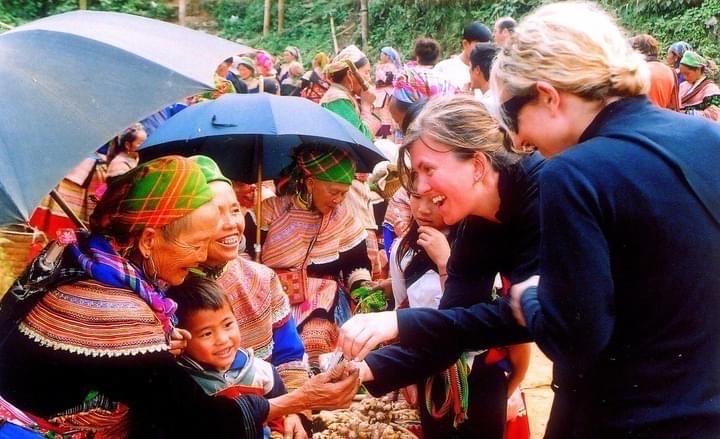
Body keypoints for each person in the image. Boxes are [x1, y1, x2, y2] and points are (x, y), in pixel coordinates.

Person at [340, 2, 720, 437]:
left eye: (514, 115)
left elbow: (575, 336)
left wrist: (533, 299)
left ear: (548, 96)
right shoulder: (709, 137)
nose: (518, 137)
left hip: (620, 417)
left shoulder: (573, 174)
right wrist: (373, 363)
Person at [0, 156, 360, 438]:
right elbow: (194, 420)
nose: (203, 257)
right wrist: (302, 399)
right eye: (195, 244)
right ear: (148, 240)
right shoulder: (115, 306)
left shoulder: (82, 259)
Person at [342, 95, 539, 438]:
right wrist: (362, 371)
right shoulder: (480, 225)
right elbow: (452, 329)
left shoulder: (548, 196)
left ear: (477, 166)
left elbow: (533, 315)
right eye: (416, 175)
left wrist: (398, 322)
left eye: (428, 170)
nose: (420, 189)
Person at [188, 156, 309, 401]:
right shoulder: (164, 291)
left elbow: (289, 358)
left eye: (235, 210)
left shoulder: (262, 279)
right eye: (214, 214)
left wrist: (295, 411)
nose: (232, 223)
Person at [261, 144, 372, 371]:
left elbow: (356, 264)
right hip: (274, 297)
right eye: (334, 192)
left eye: (344, 193)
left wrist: (364, 290)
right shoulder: (271, 211)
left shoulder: (345, 220)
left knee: (316, 338)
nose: (339, 200)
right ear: (311, 183)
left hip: (325, 302)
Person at [166, 274, 297, 439]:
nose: (222, 339)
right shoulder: (183, 383)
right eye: (207, 333)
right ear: (182, 338)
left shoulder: (262, 372)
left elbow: (279, 415)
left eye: (228, 325)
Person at [320, 45, 379, 140]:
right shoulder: (337, 98)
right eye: (366, 72)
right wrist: (366, 106)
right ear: (350, 75)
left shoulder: (345, 94)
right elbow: (361, 140)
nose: (369, 79)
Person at [434, 21, 492, 91]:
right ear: (465, 44)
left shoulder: (491, 70)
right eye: (479, 46)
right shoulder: (444, 68)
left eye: (487, 46)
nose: (484, 50)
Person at [629, 34, 679, 110]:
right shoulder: (670, 71)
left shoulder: (636, 71)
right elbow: (674, 105)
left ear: (637, 52)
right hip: (662, 118)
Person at [678, 51, 720, 120]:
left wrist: (684, 113)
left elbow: (714, 116)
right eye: (682, 74)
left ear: (698, 69)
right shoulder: (683, 86)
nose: (684, 77)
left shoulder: (711, 90)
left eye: (687, 73)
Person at [469, 42, 499, 109]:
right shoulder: (501, 97)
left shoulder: (483, 106)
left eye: (470, 66)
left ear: (477, 70)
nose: (469, 70)